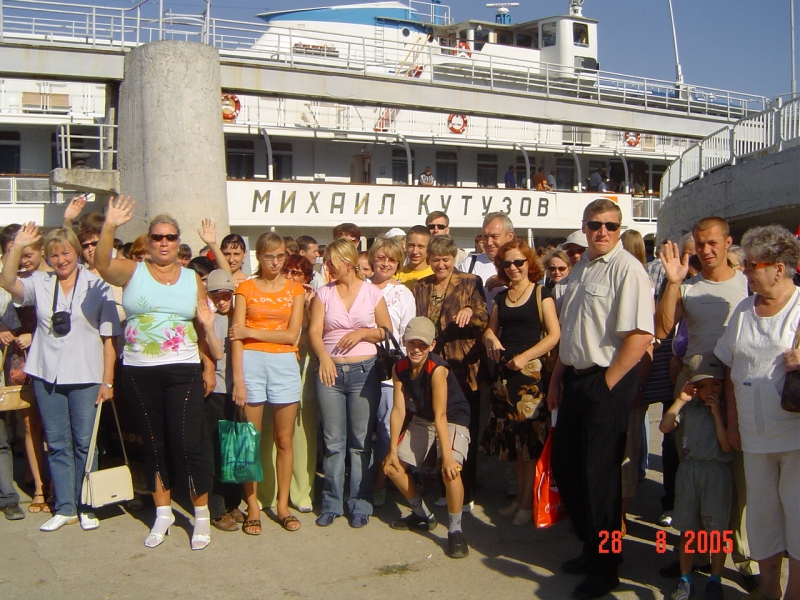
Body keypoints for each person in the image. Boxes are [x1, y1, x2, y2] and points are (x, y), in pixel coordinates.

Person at [95, 197, 217, 551]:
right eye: (157, 237)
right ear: (148, 242)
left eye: (170, 237)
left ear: (179, 242)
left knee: (188, 444)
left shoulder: (193, 278)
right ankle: (163, 513)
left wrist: (209, 366)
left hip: (184, 369)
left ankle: (201, 514)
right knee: (154, 443)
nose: (164, 243)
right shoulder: (132, 271)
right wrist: (110, 225)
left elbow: (202, 323)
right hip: (139, 371)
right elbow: (102, 264)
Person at [548, 198, 654, 599]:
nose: (603, 232)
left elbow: (640, 336)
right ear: (585, 227)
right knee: (567, 468)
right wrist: (557, 378)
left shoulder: (628, 269)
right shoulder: (581, 268)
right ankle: (591, 548)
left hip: (606, 380)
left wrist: (606, 383)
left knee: (601, 480)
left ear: (619, 227)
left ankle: (606, 567)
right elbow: (572, 332)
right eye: (595, 225)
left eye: (610, 225)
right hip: (576, 379)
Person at [655, 216, 757, 589]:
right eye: (700, 243)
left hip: (736, 390)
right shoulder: (687, 287)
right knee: (693, 475)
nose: (706, 250)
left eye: (712, 242)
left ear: (728, 242)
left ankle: (744, 559)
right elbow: (662, 328)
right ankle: (695, 556)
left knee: (738, 480)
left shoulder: (747, 284)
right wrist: (673, 283)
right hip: (693, 389)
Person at [0, 224, 120, 532]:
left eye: (66, 253)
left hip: (86, 374)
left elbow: (109, 338)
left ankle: (87, 505)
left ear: (77, 252)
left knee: (85, 443)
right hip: (47, 373)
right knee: (56, 442)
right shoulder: (41, 282)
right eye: (54, 255)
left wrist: (107, 381)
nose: (61, 260)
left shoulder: (96, 284)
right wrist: (17, 246)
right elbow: (8, 282)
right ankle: (65, 507)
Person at [715, 225, 800, 600]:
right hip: (753, 433)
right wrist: (733, 423)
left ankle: (795, 590)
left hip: (795, 433)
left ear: (778, 268)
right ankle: (768, 587)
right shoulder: (744, 310)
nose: (745, 271)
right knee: (763, 514)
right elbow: (731, 368)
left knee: (798, 513)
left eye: (752, 265)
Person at [308, 238, 391, 528]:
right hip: (330, 373)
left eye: (331, 262)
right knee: (333, 442)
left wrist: (363, 333)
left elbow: (386, 331)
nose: (327, 267)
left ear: (347, 262)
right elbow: (315, 331)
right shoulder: (324, 293)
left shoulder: (371, 292)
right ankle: (331, 503)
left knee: (360, 442)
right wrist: (324, 358)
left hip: (364, 372)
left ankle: (360, 502)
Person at [481, 238, 560, 526]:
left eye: (518, 262)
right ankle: (519, 499)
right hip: (505, 376)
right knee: (514, 443)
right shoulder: (502, 297)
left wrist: (525, 357)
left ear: (529, 263)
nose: (513, 267)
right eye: (507, 263)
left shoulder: (542, 293)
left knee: (529, 443)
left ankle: (528, 502)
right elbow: (490, 330)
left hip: (531, 376)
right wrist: (490, 338)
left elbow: (554, 335)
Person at [229, 233, 304, 535]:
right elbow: (235, 337)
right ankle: (253, 506)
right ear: (258, 257)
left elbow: (291, 335)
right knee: (249, 440)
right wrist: (238, 379)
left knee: (284, 441)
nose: (275, 262)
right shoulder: (244, 288)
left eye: (280, 256)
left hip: (284, 364)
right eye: (269, 256)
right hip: (250, 364)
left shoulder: (295, 289)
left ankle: (283, 505)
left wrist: (250, 331)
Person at [383, 316, 472, 559]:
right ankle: (423, 515)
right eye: (412, 343)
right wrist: (392, 450)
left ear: (432, 345)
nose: (416, 349)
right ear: (404, 342)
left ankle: (455, 530)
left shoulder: (438, 369)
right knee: (391, 467)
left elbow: (441, 414)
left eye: (422, 345)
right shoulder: (399, 368)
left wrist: (447, 457)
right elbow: (398, 410)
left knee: (451, 471)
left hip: (451, 417)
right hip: (424, 417)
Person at [414, 235, 489, 511]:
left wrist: (469, 310)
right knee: (438, 427)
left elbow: (484, 317)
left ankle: (465, 491)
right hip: (433, 366)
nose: (440, 265)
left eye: (445, 260)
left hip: (464, 366)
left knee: (463, 429)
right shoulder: (421, 286)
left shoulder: (470, 282)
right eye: (435, 260)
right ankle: (445, 486)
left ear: (454, 258)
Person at [659, 355, 732, 600]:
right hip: (690, 471)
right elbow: (665, 426)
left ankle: (715, 579)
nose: (709, 390)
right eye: (702, 386)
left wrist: (716, 414)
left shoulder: (726, 409)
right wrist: (680, 400)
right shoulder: (689, 407)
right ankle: (685, 578)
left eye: (715, 384)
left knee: (717, 531)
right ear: (694, 387)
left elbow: (726, 446)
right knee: (689, 530)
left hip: (716, 471)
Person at [0, 225, 50, 515]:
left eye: (27, 252)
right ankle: (39, 487)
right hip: (21, 358)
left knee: (52, 426)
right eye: (19, 252)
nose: (23, 259)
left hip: (49, 355)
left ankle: (54, 484)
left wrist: (36, 335)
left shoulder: (54, 276)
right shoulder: (15, 279)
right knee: (30, 426)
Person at [368, 236, 416, 507]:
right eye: (381, 258)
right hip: (360, 365)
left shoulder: (403, 293)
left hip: (389, 370)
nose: (386, 264)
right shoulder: (360, 287)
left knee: (387, 430)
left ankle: (380, 482)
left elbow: (408, 335)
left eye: (392, 259)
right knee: (363, 430)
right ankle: (362, 482)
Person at [272, 254, 318, 513]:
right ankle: (272, 492)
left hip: (303, 370)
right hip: (274, 366)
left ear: (307, 278)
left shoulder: (312, 300)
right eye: (286, 271)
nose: (289, 277)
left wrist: (308, 307)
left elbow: (308, 337)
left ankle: (302, 493)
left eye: (296, 273)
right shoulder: (273, 295)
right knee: (275, 436)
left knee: (302, 434)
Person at [202, 270, 244, 533]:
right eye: (216, 297)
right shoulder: (210, 318)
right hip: (217, 391)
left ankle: (232, 502)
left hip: (238, 391)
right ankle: (216, 509)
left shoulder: (239, 315)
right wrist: (207, 326)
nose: (221, 301)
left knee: (236, 450)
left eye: (226, 296)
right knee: (216, 452)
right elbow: (216, 353)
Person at [458, 212, 515, 314]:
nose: (488, 242)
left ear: (510, 236)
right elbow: (457, 296)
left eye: (494, 236)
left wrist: (507, 282)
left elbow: (534, 293)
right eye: (485, 237)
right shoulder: (470, 263)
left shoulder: (521, 264)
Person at [395, 225, 433, 291]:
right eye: (411, 246)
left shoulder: (435, 275)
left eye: (420, 246)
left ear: (429, 248)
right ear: (405, 246)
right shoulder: (395, 274)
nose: (415, 252)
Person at [543, 248, 571, 312]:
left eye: (561, 268)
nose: (557, 272)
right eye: (552, 268)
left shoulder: (572, 290)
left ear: (569, 268)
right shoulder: (544, 290)